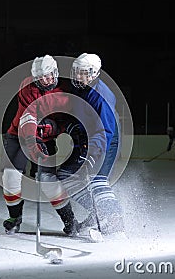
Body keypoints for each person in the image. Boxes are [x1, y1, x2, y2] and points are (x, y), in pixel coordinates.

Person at [0, 54, 78, 235]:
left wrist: (53, 128)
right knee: (10, 177)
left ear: (56, 72)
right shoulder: (27, 88)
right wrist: (32, 144)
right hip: (18, 135)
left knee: (47, 180)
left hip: (45, 138)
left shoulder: (65, 92)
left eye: (49, 75)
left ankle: (69, 220)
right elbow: (28, 119)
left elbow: (67, 120)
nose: (45, 80)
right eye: (41, 77)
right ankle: (15, 217)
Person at [57, 53, 124, 236]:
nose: (78, 76)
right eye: (76, 71)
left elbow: (106, 132)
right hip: (86, 140)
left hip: (105, 142)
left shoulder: (102, 96)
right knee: (65, 174)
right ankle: (97, 212)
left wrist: (93, 154)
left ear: (94, 73)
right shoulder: (79, 89)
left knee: (97, 180)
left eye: (83, 73)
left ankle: (114, 221)